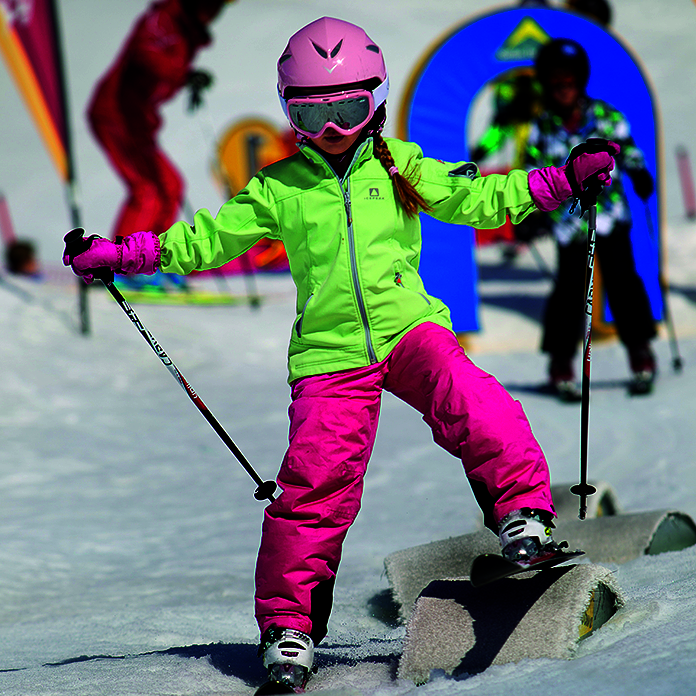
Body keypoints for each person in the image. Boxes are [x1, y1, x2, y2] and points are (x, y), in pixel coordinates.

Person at [64, 17, 617, 690]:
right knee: (313, 485)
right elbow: (206, 239)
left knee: (472, 399)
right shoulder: (280, 187)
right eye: (313, 112)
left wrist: (559, 183)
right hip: (330, 356)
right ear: (289, 110)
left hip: (407, 327)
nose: (331, 130)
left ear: (375, 101)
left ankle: (521, 512)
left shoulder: (400, 165)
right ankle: (289, 626)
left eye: (348, 109)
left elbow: (477, 197)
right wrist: (125, 254)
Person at [524, 38, 657, 398]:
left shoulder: (605, 115)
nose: (562, 90)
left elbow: (626, 148)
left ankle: (640, 351)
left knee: (623, 282)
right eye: (555, 84)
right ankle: (561, 362)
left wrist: (639, 172)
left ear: (580, 82)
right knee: (569, 291)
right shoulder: (543, 127)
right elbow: (532, 170)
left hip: (609, 215)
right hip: (569, 224)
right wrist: (532, 211)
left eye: (568, 82)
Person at [87, 0, 231, 242]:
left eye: (219, 7)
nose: (213, 12)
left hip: (137, 120)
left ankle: (153, 259)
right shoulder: (165, 19)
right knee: (147, 190)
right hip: (117, 115)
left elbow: (163, 70)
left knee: (170, 186)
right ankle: (124, 264)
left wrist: (185, 80)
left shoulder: (187, 31)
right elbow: (145, 53)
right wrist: (184, 75)